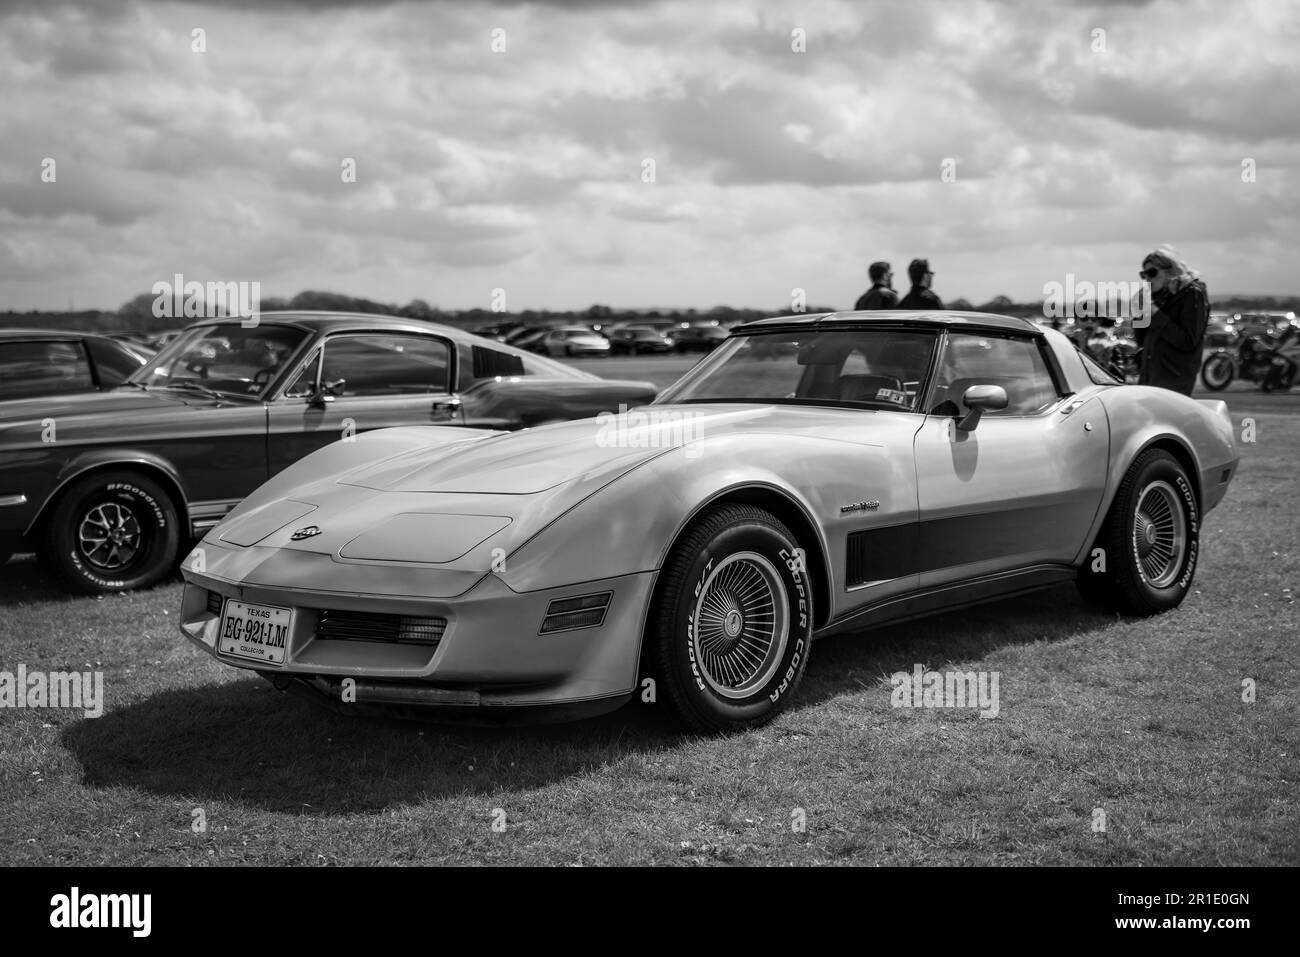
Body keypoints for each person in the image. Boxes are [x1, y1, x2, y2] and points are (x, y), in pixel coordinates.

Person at [1135, 245, 1208, 396]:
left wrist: (1154, 312)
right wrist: (1140, 313)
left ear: (1171, 271)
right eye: (1144, 275)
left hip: (1174, 383)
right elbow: (1141, 341)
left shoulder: (1192, 294)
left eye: (1152, 272)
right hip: (1149, 379)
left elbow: (1187, 341)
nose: (1147, 278)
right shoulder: (1157, 297)